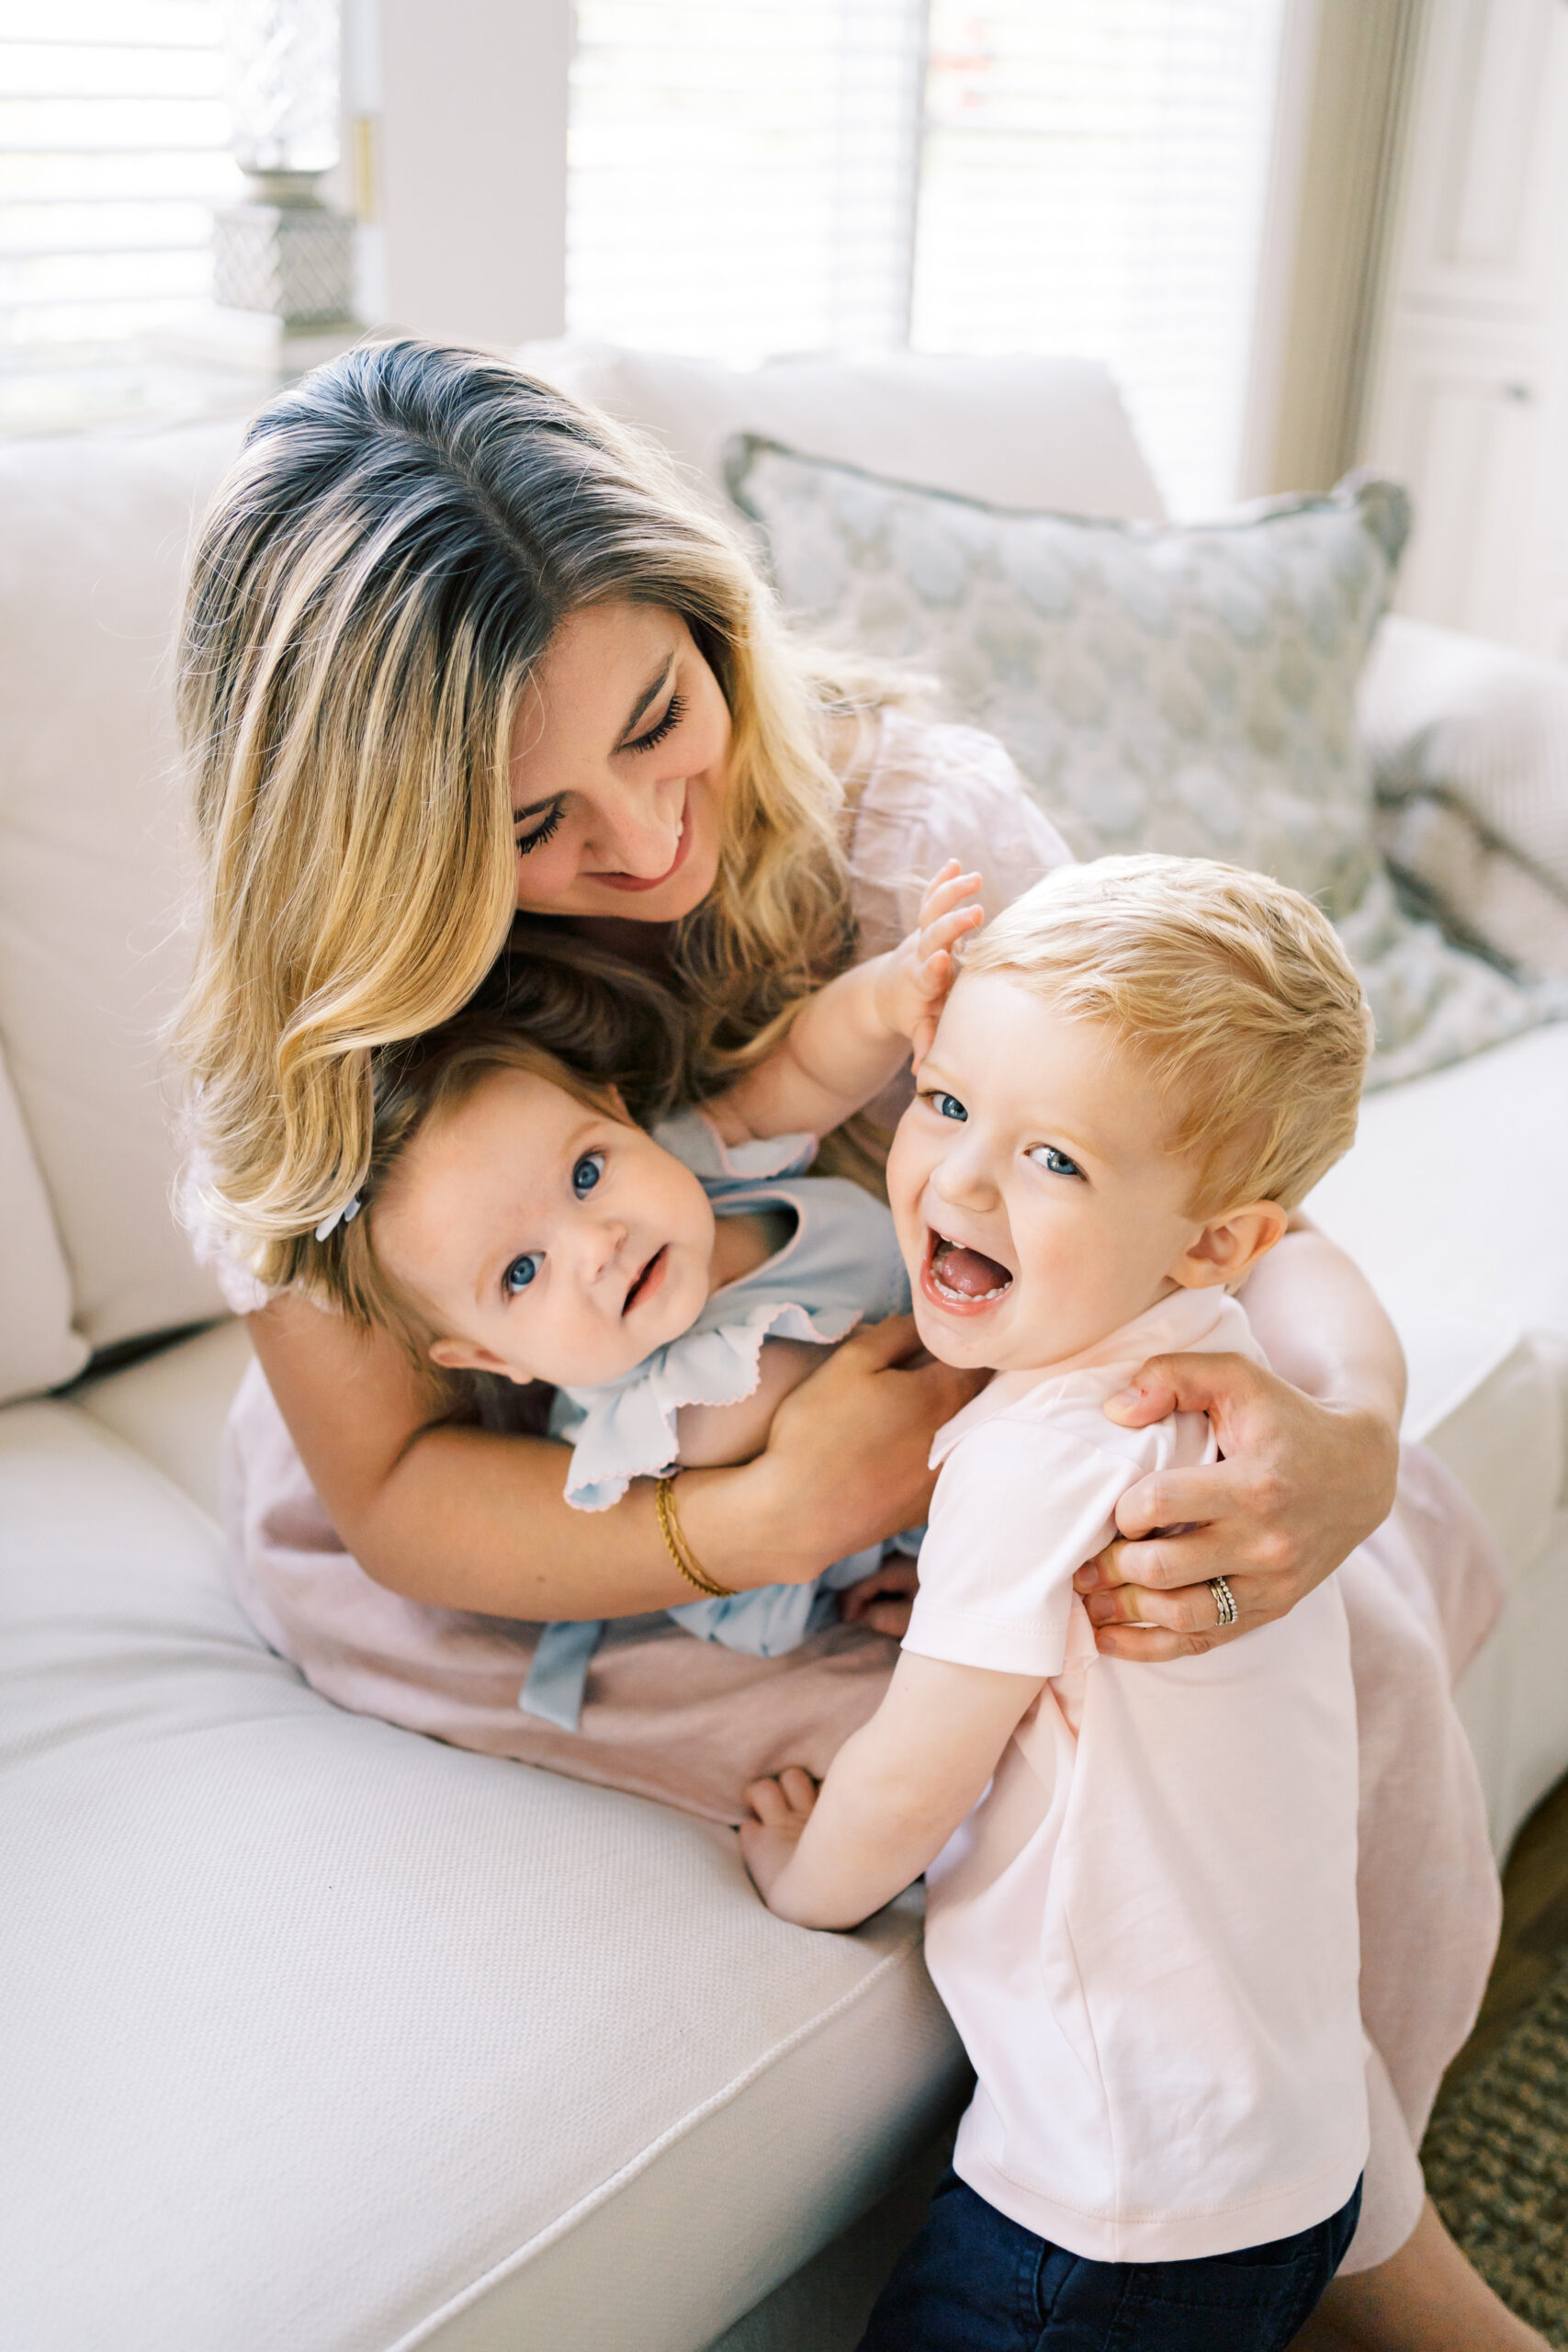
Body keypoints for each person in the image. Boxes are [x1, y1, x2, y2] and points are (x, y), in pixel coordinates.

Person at [172, 338, 1528, 2342]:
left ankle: (1322, 2187)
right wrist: (763, 1513)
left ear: (715, 626)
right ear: (381, 856)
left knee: (1333, 1607)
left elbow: (1213, 1192)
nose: (644, 837)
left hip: (954, 1422)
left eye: (663, 717)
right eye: (531, 818)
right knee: (1014, 1759)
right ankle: (1326, 2246)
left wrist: (1343, 1423)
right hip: (565, 1522)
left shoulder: (898, 823)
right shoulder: (315, 1075)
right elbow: (391, 1492)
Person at [743, 856, 1378, 2348]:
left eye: (1054, 1161)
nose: (956, 1180)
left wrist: (805, 1882)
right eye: (946, 1104)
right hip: (1287, 2156)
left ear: (1219, 1237)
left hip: (1102, 2213)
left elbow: (911, 1777)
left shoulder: (1037, 1450)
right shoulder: (1218, 1375)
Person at [299, 866, 983, 1729]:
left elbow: (808, 1067)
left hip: (963, 1448)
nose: (595, 1245)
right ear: (493, 1360)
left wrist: (890, 994)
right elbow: (812, 1446)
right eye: (521, 1272)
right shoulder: (652, 1419)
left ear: (622, 1115)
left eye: (586, 1172)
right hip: (849, 1562)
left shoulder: (697, 1165)